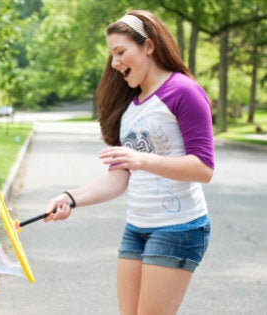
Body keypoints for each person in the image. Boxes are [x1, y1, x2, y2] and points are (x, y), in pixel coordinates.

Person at [42, 10, 214, 315]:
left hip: (179, 228)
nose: (114, 63)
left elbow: (203, 168)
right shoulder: (130, 107)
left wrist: (143, 160)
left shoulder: (183, 91)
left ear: (148, 46)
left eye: (121, 52)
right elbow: (117, 178)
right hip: (137, 228)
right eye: (111, 55)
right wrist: (70, 198)